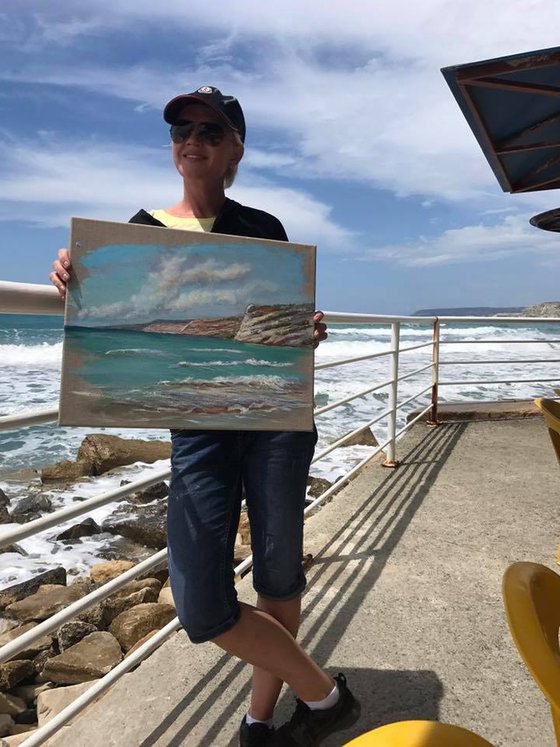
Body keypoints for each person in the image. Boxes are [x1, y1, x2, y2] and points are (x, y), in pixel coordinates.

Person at [50, 85, 360, 747]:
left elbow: (280, 330)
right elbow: (112, 309)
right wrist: (73, 273)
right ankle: (325, 694)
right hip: (197, 430)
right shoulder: (140, 231)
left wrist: (310, 329)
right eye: (180, 129)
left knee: (279, 573)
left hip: (275, 422)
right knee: (200, 603)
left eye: (209, 131)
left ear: (234, 150)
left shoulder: (264, 231)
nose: (191, 138)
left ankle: (258, 719)